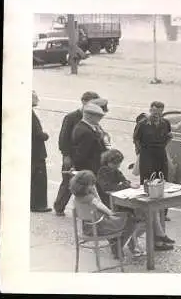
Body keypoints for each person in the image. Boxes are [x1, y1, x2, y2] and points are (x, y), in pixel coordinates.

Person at [98, 149, 175, 251]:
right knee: (147, 217)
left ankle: (159, 235)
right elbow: (108, 187)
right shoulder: (103, 171)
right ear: (109, 162)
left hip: (122, 199)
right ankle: (151, 237)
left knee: (152, 212)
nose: (118, 166)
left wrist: (128, 184)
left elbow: (123, 180)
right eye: (115, 164)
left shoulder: (114, 170)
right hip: (113, 202)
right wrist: (126, 185)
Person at [70, 170, 136, 260]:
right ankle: (118, 247)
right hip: (99, 228)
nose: (93, 186)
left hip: (87, 228)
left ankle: (116, 244)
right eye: (92, 184)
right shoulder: (91, 198)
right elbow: (107, 210)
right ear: (87, 186)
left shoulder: (76, 198)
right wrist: (95, 192)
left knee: (115, 220)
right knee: (130, 218)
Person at [54, 91, 100, 216]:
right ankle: (59, 207)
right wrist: (66, 155)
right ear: (84, 102)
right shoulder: (71, 117)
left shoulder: (92, 116)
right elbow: (63, 138)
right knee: (69, 182)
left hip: (86, 157)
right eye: (92, 103)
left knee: (84, 182)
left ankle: (84, 210)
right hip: (72, 156)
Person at [133, 101, 175, 232]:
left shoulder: (165, 123)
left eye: (159, 112)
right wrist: (142, 153)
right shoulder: (142, 124)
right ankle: (145, 212)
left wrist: (163, 146)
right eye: (154, 112)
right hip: (147, 154)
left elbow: (169, 136)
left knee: (163, 180)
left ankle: (163, 212)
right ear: (150, 110)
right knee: (147, 181)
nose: (156, 115)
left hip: (160, 154)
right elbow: (136, 139)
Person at [71, 103, 108, 175]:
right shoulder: (86, 132)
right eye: (98, 117)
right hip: (90, 169)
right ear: (89, 116)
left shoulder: (83, 127)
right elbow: (82, 155)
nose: (100, 119)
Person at [31, 91, 52, 212]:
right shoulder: (30, 114)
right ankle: (37, 205)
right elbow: (37, 134)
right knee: (38, 180)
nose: (37, 99)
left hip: (34, 152)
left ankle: (35, 203)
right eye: (35, 97)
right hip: (36, 152)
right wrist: (45, 135)